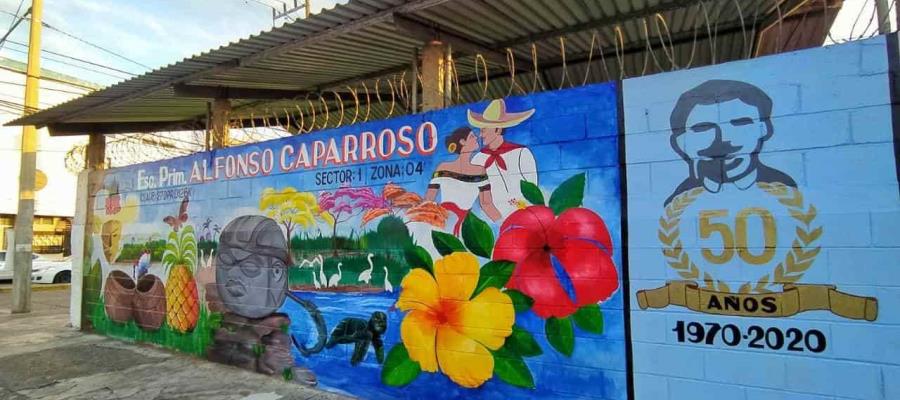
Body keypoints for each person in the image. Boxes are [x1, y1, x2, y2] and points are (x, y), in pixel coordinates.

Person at [665, 79, 796, 205]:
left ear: (764, 129)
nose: (723, 139)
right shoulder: (676, 203)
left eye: (740, 123)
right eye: (703, 128)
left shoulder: (787, 191)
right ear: (679, 143)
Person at [424, 127, 503, 235]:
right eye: (471, 136)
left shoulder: (480, 171)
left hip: (466, 227)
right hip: (443, 221)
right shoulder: (443, 168)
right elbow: (428, 200)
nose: (476, 137)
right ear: (462, 142)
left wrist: (503, 224)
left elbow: (487, 204)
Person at [468, 99, 538, 218]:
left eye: (484, 130)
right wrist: (498, 221)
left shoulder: (521, 153)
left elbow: (532, 192)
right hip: (492, 222)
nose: (480, 135)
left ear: (498, 130)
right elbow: (479, 198)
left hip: (523, 217)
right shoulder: (478, 159)